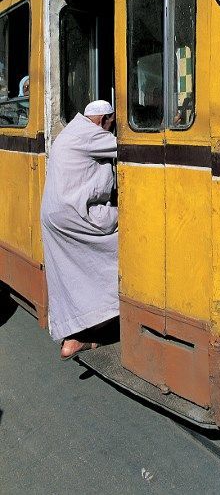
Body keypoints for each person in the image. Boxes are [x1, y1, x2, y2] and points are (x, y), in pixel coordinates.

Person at [41, 100, 118, 360]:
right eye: (111, 122)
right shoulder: (90, 134)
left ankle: (71, 337)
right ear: (101, 120)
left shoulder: (71, 131)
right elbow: (130, 146)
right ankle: (82, 334)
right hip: (74, 216)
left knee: (73, 276)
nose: (112, 127)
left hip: (55, 215)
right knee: (125, 245)